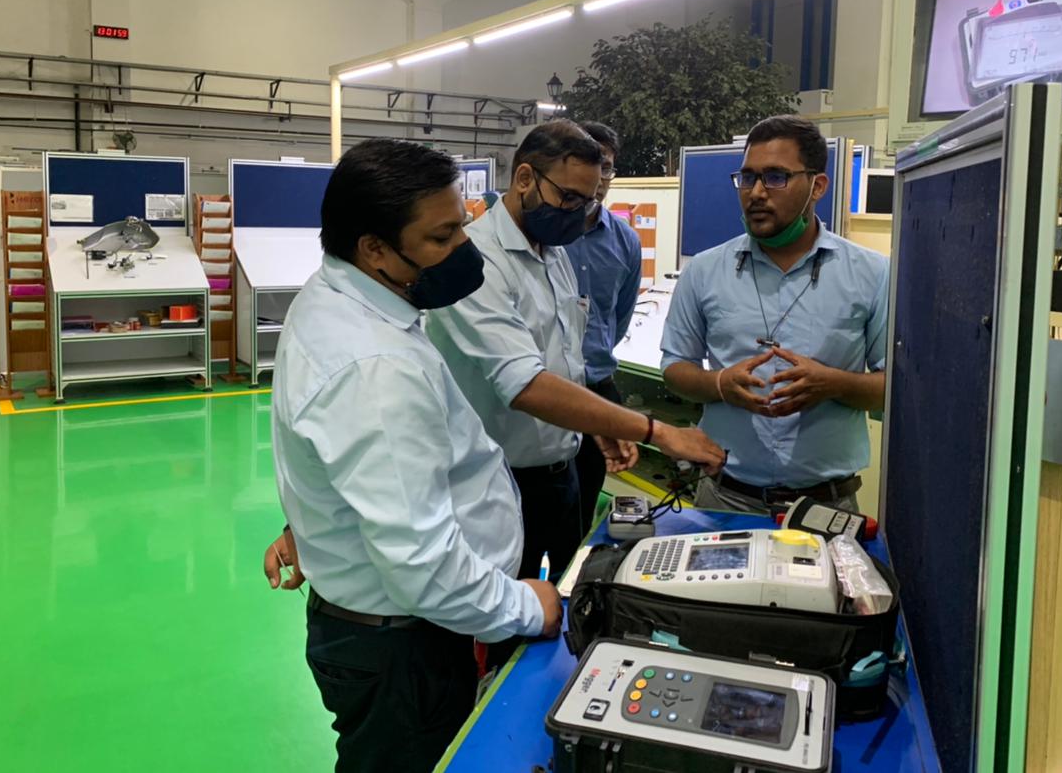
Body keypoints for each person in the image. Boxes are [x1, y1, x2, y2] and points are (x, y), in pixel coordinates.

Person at [267, 139, 562, 773]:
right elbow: (422, 565)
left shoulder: (340, 295)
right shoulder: (376, 366)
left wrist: (309, 524)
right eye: (442, 236)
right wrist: (524, 608)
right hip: (405, 648)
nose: (464, 247)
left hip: (380, 629)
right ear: (374, 248)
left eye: (463, 224)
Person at [425, 120, 726, 585]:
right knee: (506, 606)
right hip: (497, 483)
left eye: (587, 202)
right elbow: (525, 384)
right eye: (568, 197)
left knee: (567, 591)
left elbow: (565, 358)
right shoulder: (478, 261)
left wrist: (594, 425)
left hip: (560, 472)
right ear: (525, 178)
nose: (577, 213)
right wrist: (656, 431)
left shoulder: (553, 253)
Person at [661, 116, 889, 516]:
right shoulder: (705, 271)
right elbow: (674, 367)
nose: (756, 193)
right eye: (747, 178)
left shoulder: (872, 274)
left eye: (776, 177)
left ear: (817, 186)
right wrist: (719, 383)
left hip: (826, 506)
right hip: (724, 499)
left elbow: (894, 390)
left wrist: (833, 384)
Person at [565, 121, 643, 533]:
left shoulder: (626, 241)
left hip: (598, 389)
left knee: (583, 512)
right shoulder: (543, 234)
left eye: (606, 167)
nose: (597, 179)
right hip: (543, 393)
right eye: (587, 165)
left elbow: (620, 316)